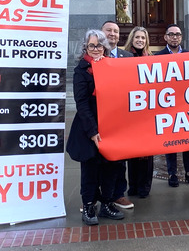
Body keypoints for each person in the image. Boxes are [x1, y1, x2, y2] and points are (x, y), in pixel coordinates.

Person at [66, 29, 125, 225]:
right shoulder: (81, 70)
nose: (95, 49)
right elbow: (82, 103)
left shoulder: (113, 66)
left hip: (112, 125)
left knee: (111, 167)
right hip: (89, 128)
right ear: (86, 47)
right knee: (90, 169)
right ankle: (89, 206)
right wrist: (93, 132)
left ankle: (107, 203)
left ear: (105, 47)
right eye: (91, 45)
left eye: (99, 45)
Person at [155, 24, 189, 187]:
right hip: (167, 105)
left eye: (178, 34)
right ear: (166, 37)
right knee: (170, 140)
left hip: (186, 104)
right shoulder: (157, 56)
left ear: (182, 37)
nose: (175, 37)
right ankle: (172, 173)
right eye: (171, 34)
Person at [101, 21, 135, 210]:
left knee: (119, 159)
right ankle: (95, 195)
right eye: (109, 30)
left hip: (122, 117)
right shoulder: (94, 55)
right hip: (101, 117)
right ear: (101, 33)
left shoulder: (128, 57)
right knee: (97, 160)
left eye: (116, 31)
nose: (113, 34)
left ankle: (118, 194)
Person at [123, 26, 154, 198]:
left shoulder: (151, 59)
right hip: (129, 112)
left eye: (143, 38)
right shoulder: (123, 57)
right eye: (137, 37)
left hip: (147, 113)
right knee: (131, 152)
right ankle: (133, 185)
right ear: (132, 39)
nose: (140, 40)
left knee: (146, 153)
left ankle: (144, 186)